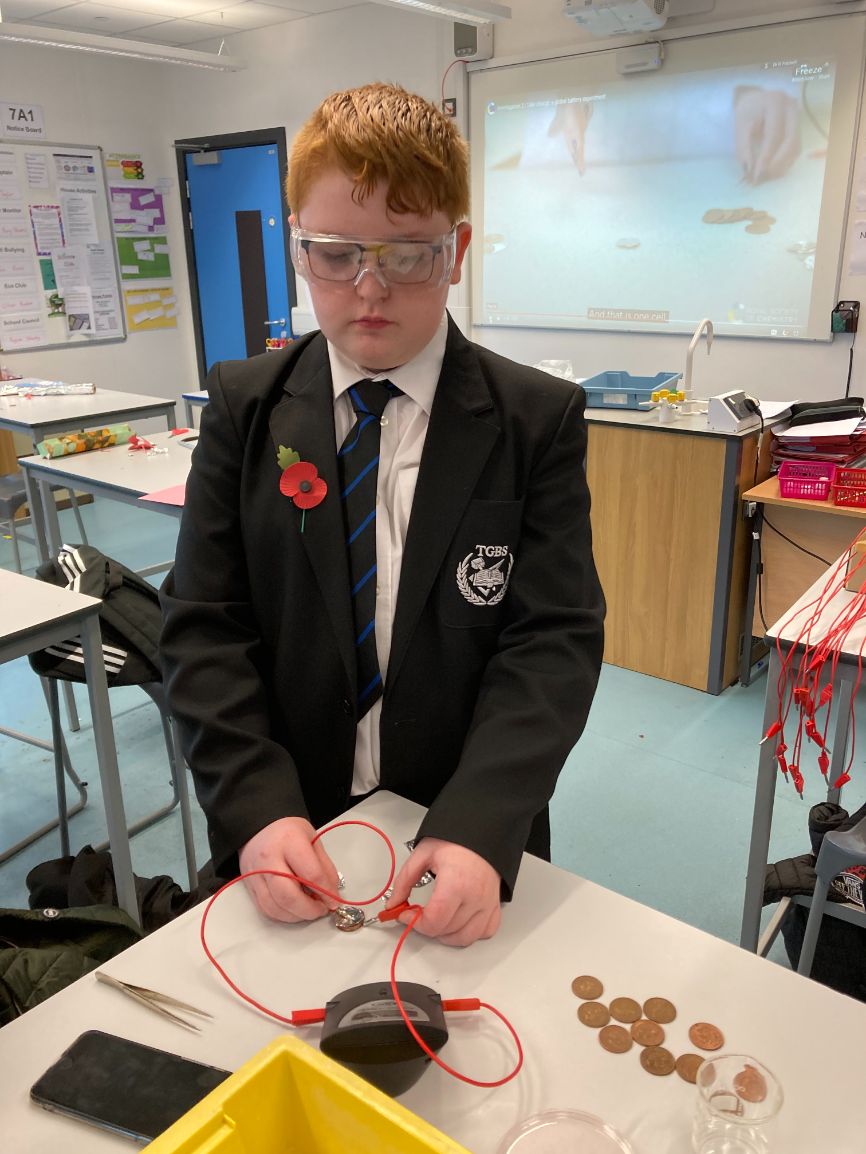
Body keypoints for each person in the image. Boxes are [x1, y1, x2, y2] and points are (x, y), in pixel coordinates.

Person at [159, 83, 605, 948]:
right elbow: (205, 625)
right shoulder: (245, 405)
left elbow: (552, 638)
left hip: (462, 824)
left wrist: (480, 822)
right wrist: (253, 806)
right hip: (290, 824)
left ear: (458, 251)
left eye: (407, 255)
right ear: (299, 248)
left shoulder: (534, 418)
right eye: (334, 252)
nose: (369, 288)